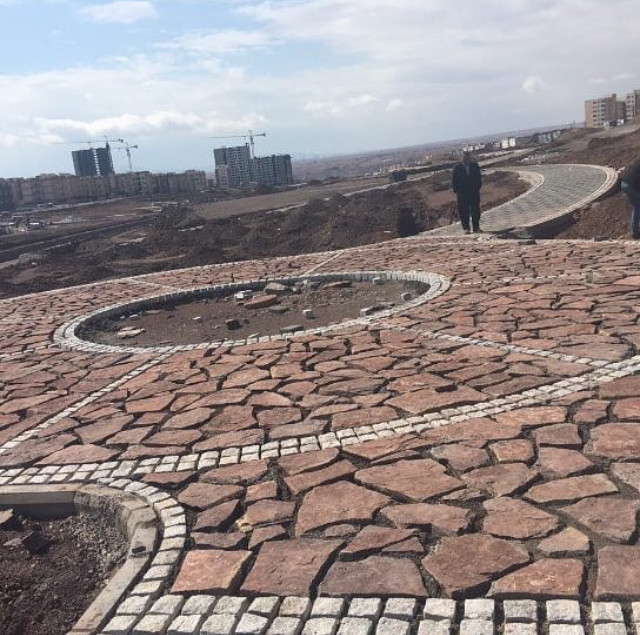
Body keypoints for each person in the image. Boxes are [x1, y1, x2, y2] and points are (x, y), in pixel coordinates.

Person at [452, 151, 482, 233]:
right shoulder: (457, 168)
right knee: (463, 211)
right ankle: (466, 228)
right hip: (462, 193)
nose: (466, 159)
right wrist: (456, 190)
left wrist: (477, 187)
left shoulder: (475, 166)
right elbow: (454, 180)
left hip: (473, 192)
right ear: (461, 158)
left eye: (467, 157)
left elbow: (479, 177)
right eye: (464, 157)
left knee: (475, 210)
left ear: (469, 157)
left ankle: (476, 228)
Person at [620, 156, 640, 239]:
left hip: (625, 182)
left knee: (637, 206)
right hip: (629, 185)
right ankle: (635, 233)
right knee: (638, 206)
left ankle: (635, 232)